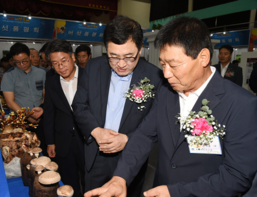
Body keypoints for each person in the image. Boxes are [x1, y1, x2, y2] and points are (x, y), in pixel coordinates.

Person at [85, 16, 257, 197]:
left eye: (173, 65)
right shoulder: (167, 93)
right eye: (163, 64)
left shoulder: (241, 104)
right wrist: (120, 177)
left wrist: (177, 192)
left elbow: (236, 176)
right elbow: (144, 135)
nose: (166, 74)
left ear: (203, 57)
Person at [72, 15, 163, 197]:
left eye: (129, 57)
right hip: (96, 154)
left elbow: (156, 122)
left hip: (131, 159)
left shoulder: (155, 77)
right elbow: (79, 105)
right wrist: (96, 131)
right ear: (106, 49)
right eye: (113, 57)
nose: (121, 64)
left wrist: (128, 139)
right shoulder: (93, 67)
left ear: (140, 49)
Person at [31, 39, 85, 197]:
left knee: (90, 179)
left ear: (72, 57)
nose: (61, 67)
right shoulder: (52, 80)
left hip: (87, 140)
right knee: (68, 181)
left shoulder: (89, 77)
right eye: (55, 63)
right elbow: (49, 112)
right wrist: (50, 141)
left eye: (64, 61)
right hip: (63, 141)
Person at [1, 42, 46, 126]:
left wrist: (41, 111)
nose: (21, 65)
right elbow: (10, 102)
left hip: (40, 117)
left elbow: (45, 95)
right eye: (17, 62)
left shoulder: (42, 73)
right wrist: (28, 117)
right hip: (19, 119)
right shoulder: (9, 76)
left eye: (24, 61)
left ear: (30, 57)